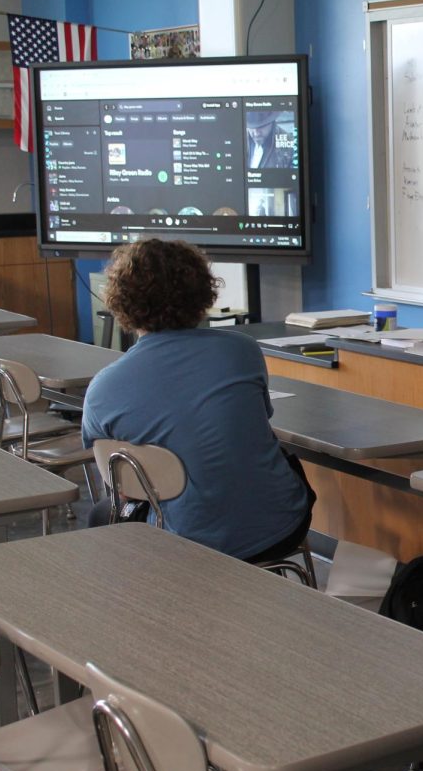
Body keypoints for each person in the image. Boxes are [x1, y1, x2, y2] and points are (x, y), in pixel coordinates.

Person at [82, 238, 312, 562]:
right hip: (281, 525)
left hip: (188, 544)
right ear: (202, 293)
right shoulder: (241, 351)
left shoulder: (103, 390)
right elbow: (259, 422)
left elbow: (117, 481)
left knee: (102, 513)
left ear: (121, 302)